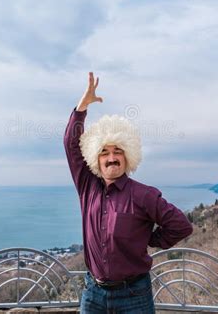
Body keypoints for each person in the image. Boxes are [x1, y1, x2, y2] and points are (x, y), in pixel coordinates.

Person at [64, 72, 193, 313]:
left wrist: (149, 239)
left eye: (118, 151)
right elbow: (71, 145)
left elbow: (181, 226)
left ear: (128, 155)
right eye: (104, 152)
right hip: (93, 293)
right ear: (95, 158)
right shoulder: (87, 187)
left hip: (134, 295)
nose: (111, 158)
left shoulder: (144, 195)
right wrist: (82, 106)